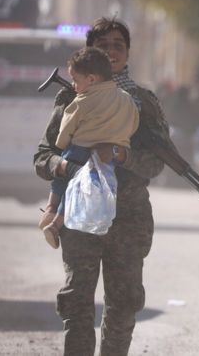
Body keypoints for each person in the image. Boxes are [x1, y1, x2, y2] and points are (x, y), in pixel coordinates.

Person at [34, 17, 174, 356]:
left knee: (124, 304)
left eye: (118, 45)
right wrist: (65, 165)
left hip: (128, 217)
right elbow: (43, 156)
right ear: (90, 51)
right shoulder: (73, 96)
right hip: (80, 216)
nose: (111, 51)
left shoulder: (143, 101)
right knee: (78, 303)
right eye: (103, 45)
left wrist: (122, 156)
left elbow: (158, 162)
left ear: (127, 53)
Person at [38, 46, 139, 248]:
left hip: (78, 151)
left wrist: (61, 144)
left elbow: (67, 126)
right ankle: (56, 220)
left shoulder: (82, 100)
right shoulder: (127, 99)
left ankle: (53, 215)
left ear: (91, 79)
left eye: (75, 80)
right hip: (107, 158)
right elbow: (133, 123)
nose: (74, 85)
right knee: (82, 190)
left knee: (66, 183)